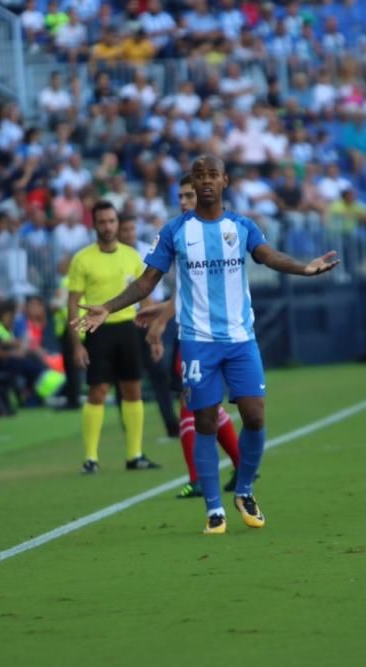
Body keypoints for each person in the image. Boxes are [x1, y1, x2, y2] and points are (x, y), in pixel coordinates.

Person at [74, 155, 339, 534]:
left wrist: (303, 268)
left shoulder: (242, 226)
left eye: (213, 175)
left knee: (256, 415)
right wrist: (108, 307)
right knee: (204, 420)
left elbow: (268, 257)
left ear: (225, 180)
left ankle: (244, 490)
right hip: (198, 341)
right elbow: (147, 282)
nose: (207, 182)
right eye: (200, 176)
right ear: (193, 185)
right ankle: (214, 509)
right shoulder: (175, 231)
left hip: (240, 337)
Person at [137, 174, 243, 499]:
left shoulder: (211, 233)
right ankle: (239, 467)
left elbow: (198, 293)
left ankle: (200, 477)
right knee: (202, 405)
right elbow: (185, 292)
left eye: (188, 195)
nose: (183, 201)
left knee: (191, 404)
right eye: (181, 196)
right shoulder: (180, 232)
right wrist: (162, 317)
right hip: (191, 332)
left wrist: (159, 323)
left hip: (205, 336)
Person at [68, 201, 160, 474]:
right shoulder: (82, 259)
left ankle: (134, 455)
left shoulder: (132, 255)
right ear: (94, 225)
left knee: (132, 389)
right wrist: (77, 343)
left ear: (117, 224)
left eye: (111, 221)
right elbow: (72, 303)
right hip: (98, 330)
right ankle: (91, 458)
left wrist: (154, 333)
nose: (108, 226)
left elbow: (144, 295)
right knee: (98, 390)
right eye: (102, 222)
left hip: (128, 328)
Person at [116, 212, 179, 439]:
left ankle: (172, 425)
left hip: (149, 316)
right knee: (126, 378)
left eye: (132, 229)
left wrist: (156, 320)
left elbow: (153, 287)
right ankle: (130, 431)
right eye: (126, 230)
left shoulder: (147, 249)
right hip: (125, 322)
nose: (130, 234)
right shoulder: (116, 256)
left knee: (160, 373)